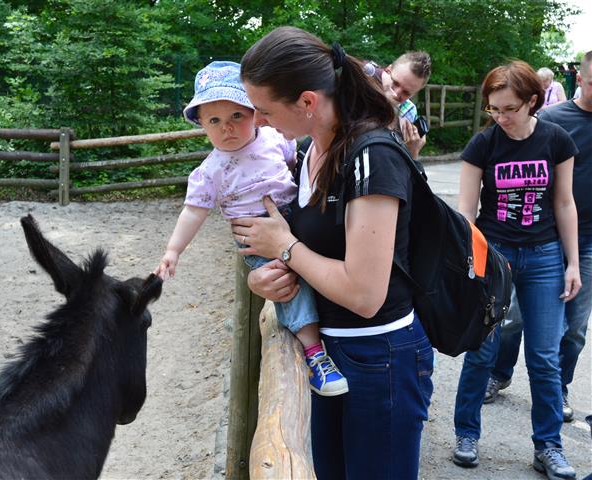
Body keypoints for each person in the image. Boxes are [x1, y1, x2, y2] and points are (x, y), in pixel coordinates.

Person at [232, 26, 434, 479]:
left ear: (307, 102)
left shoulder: (372, 156)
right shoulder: (307, 151)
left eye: (265, 110)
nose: (257, 122)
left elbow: (364, 294)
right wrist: (262, 277)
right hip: (329, 351)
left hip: (379, 357)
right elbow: (303, 252)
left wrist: (284, 248)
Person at [154, 61, 348, 396]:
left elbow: (296, 165)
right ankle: (314, 353)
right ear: (201, 124)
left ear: (254, 113)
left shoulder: (274, 137)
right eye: (214, 120)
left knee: (321, 262)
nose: (227, 128)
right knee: (286, 283)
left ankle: (338, 332)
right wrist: (173, 250)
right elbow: (193, 212)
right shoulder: (210, 172)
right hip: (256, 236)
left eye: (236, 116)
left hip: (295, 217)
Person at [451, 60, 580, 480]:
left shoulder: (556, 140)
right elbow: (466, 211)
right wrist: (470, 265)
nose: (501, 117)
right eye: (493, 109)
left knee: (544, 358)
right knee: (482, 351)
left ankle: (549, 446)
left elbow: (564, 202)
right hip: (495, 255)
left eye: (510, 109)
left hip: (544, 256)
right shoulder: (483, 144)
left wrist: (572, 263)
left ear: (532, 102)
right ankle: (466, 433)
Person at [485, 51, 592, 425]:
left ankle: (557, 388)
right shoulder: (554, 121)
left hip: (588, 239)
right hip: (540, 236)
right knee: (513, 317)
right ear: (580, 79)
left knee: (574, 328)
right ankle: (499, 372)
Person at [363, 52, 432, 159]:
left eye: (406, 93)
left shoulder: (409, 111)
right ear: (388, 70)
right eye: (395, 83)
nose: (396, 93)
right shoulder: (364, 80)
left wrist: (412, 152)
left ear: (414, 94)